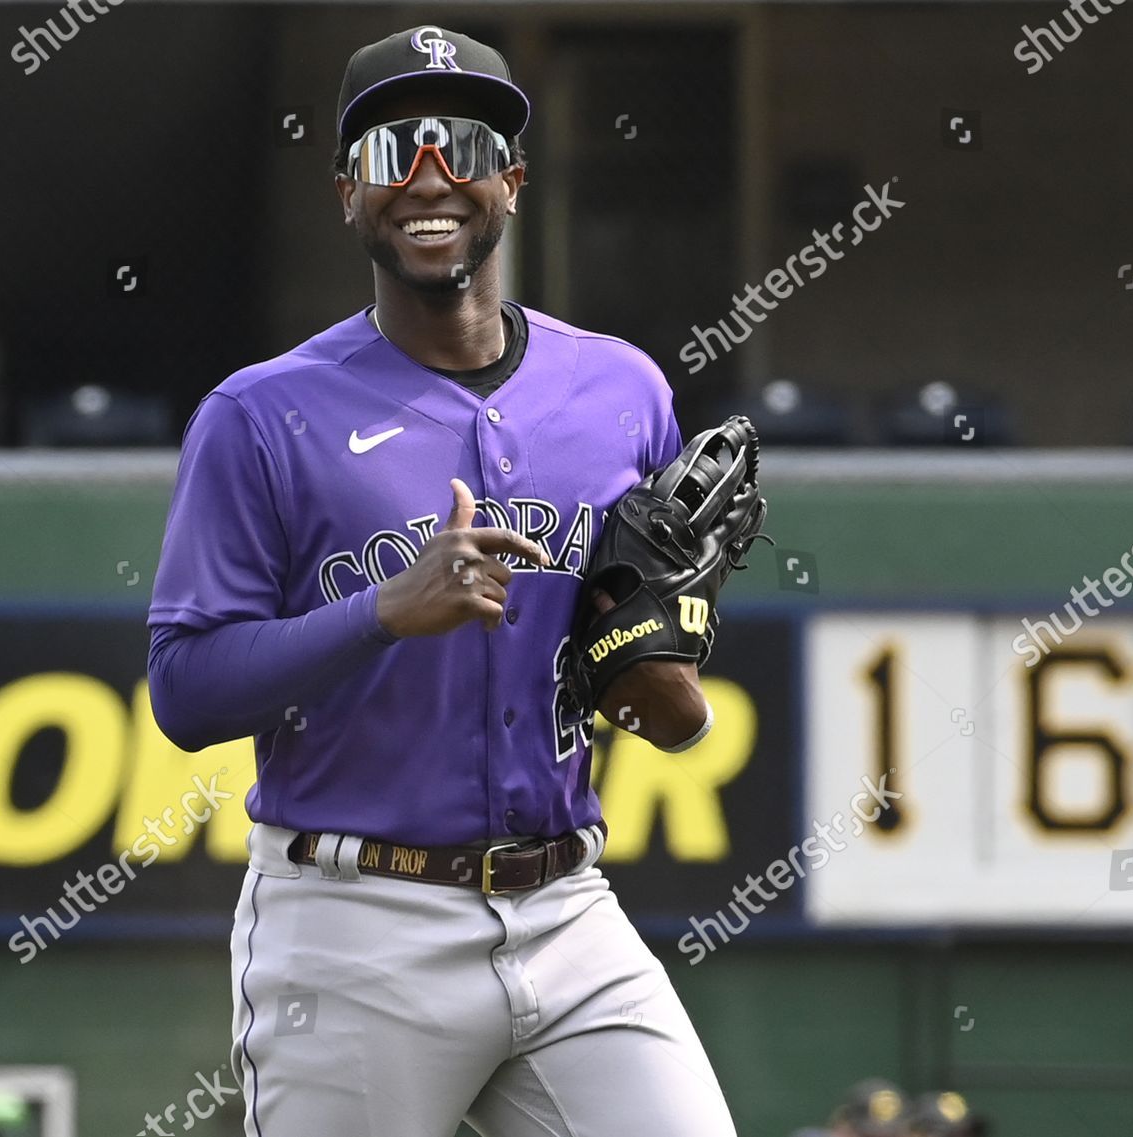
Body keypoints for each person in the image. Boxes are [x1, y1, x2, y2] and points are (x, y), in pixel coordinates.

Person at [147, 24, 732, 1137]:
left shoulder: (620, 389)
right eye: (389, 151)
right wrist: (382, 613)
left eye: (461, 145)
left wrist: (654, 669)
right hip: (355, 923)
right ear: (346, 194)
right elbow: (185, 690)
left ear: (510, 180)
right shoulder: (261, 415)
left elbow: (636, 652)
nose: (429, 177)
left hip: (568, 910)